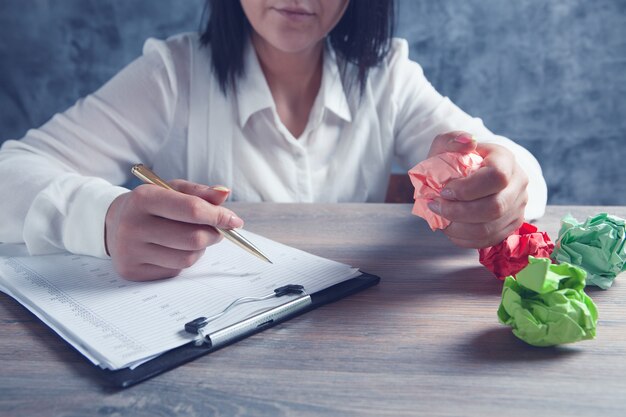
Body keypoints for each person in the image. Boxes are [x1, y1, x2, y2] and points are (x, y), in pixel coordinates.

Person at [0, 0, 547, 281]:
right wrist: (105, 217)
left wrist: (508, 182)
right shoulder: (172, 75)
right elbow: (13, 170)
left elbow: (507, 159)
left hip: (351, 339)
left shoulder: (388, 77)